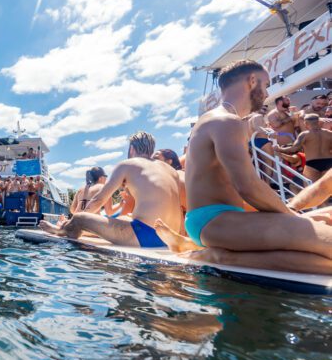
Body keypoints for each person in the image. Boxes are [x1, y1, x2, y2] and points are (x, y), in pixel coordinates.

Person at [155, 59, 331, 273]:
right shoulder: (226, 121)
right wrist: (292, 217)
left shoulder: (217, 120)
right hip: (217, 220)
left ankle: (217, 253)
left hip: (214, 219)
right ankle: (221, 257)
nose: (267, 93)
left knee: (322, 251)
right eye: (266, 85)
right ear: (252, 80)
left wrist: (295, 218)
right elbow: (247, 185)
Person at [39, 132, 183, 247]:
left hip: (147, 236)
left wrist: (75, 220)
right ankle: (78, 229)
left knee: (79, 218)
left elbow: (99, 200)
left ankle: (61, 229)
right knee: (123, 218)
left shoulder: (127, 164)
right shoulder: (171, 171)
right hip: (171, 235)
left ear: (131, 149)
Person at [276, 114, 332, 181]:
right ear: (319, 122)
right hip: (329, 162)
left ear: (306, 123)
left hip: (312, 163)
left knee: (311, 188)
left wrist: (279, 149)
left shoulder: (304, 134)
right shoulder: (329, 133)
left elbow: (294, 149)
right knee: (329, 189)